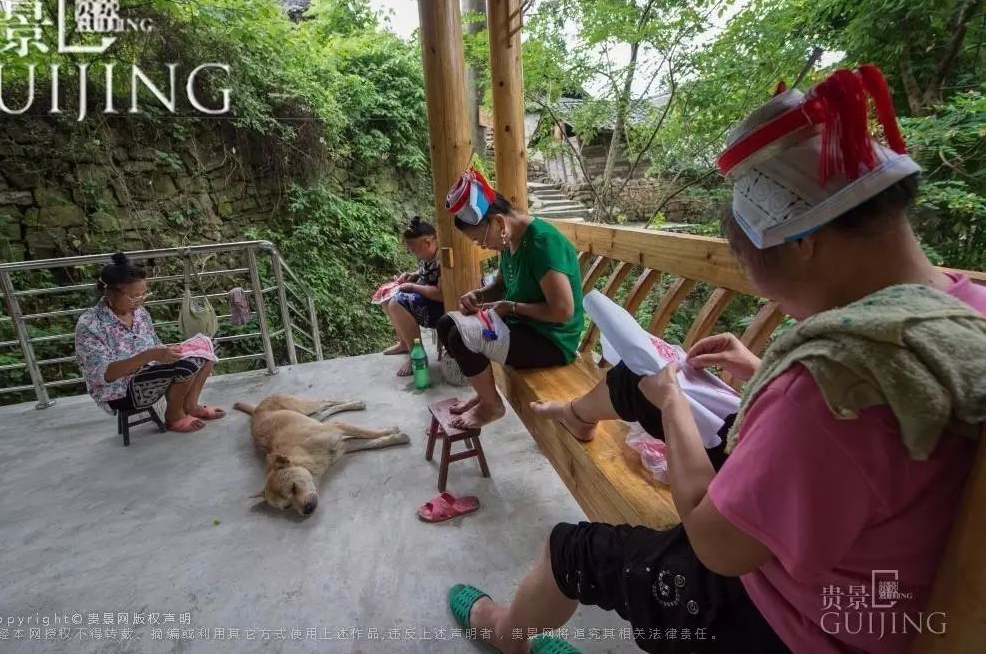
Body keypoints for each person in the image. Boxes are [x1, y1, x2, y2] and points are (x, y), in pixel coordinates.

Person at [445, 66, 986, 653]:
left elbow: (715, 545)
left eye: (755, 267)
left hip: (786, 617)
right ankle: (581, 412)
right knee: (640, 376)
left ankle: (506, 633)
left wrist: (675, 404)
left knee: (569, 546)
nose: (766, 289)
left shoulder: (832, 388)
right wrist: (759, 372)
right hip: (862, 554)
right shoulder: (957, 306)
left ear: (803, 243)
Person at [437, 185, 584, 430]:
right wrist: (478, 294)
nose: (482, 246)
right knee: (446, 325)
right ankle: (486, 394)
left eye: (479, 238)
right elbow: (502, 285)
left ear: (497, 222)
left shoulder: (541, 242)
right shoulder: (511, 239)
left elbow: (562, 311)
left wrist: (512, 308)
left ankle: (490, 405)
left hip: (552, 340)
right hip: (522, 326)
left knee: (462, 337)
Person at [75, 253, 225, 433]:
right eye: (133, 296)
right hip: (120, 390)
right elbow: (104, 374)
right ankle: (174, 416)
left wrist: (170, 351)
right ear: (109, 291)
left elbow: (155, 344)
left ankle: (191, 405)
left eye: (143, 294)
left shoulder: (140, 314)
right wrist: (151, 355)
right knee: (185, 367)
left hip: (152, 370)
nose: (139, 301)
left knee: (207, 347)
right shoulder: (90, 324)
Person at [382, 216, 445, 376]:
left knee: (396, 303)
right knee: (387, 298)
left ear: (427, 243)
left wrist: (412, 287)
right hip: (426, 299)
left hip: (439, 308)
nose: (413, 253)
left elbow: (440, 294)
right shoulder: (429, 255)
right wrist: (412, 275)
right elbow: (424, 272)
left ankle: (417, 355)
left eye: (414, 249)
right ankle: (404, 343)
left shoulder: (442, 259)